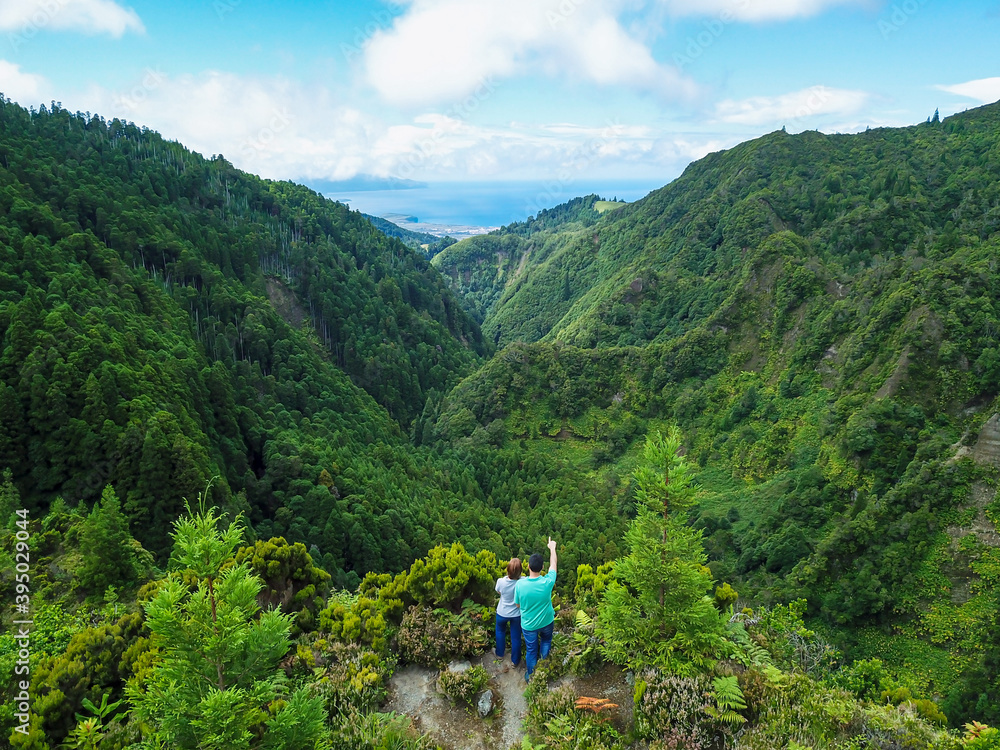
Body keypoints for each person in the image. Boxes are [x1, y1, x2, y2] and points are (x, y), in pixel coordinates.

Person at [514, 537, 557, 682]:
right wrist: (552, 549)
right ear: (542, 568)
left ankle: (531, 676)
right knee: (546, 641)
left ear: (528, 567)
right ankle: (543, 669)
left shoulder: (520, 585)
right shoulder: (547, 582)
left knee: (531, 650)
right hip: (546, 621)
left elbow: (518, 605)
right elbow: (554, 565)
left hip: (529, 625)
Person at [494, 557, 522, 668]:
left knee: (500, 632)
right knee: (515, 637)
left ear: (507, 570)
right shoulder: (522, 582)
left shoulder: (500, 581)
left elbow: (498, 591)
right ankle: (515, 661)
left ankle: (499, 654)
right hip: (516, 614)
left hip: (502, 612)